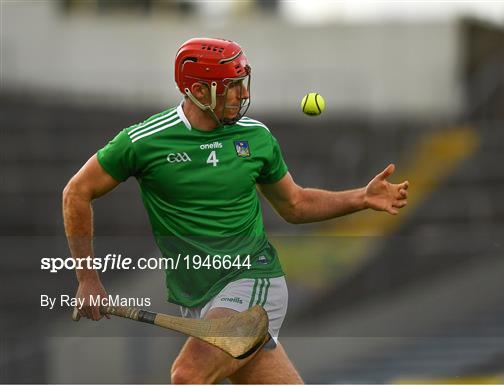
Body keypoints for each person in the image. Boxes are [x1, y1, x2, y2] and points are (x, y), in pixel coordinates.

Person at [63, 37, 409, 384]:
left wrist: (362, 197)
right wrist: (87, 278)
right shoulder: (144, 142)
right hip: (199, 296)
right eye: (230, 87)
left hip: (253, 282)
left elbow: (296, 203)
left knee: (187, 375)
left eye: (243, 83)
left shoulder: (256, 138)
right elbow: (76, 192)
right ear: (198, 90)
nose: (242, 95)